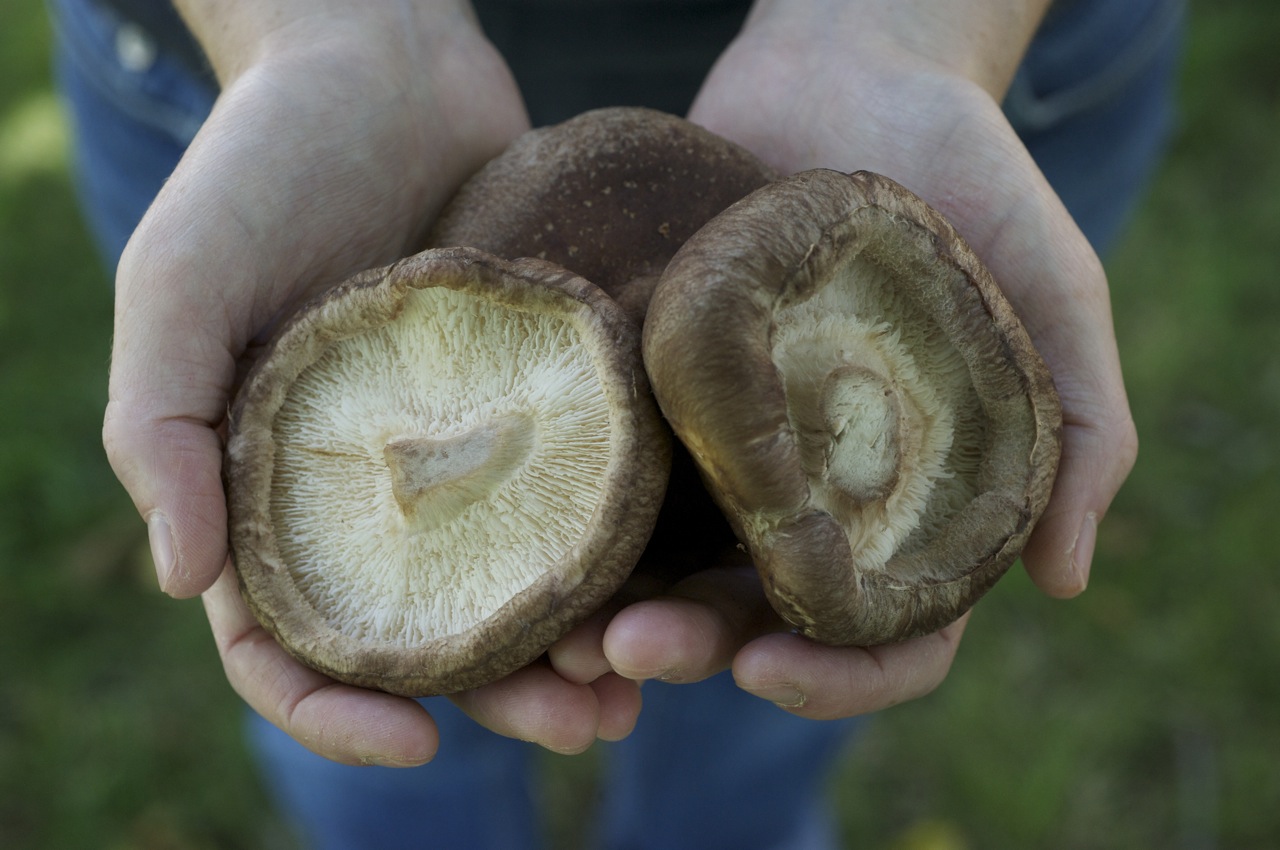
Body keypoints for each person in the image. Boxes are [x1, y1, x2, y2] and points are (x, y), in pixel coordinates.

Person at [53, 0, 1184, 846]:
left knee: (759, 688)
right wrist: (320, 30)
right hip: (244, 55)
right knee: (383, 748)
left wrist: (904, 32)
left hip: (974, 48)